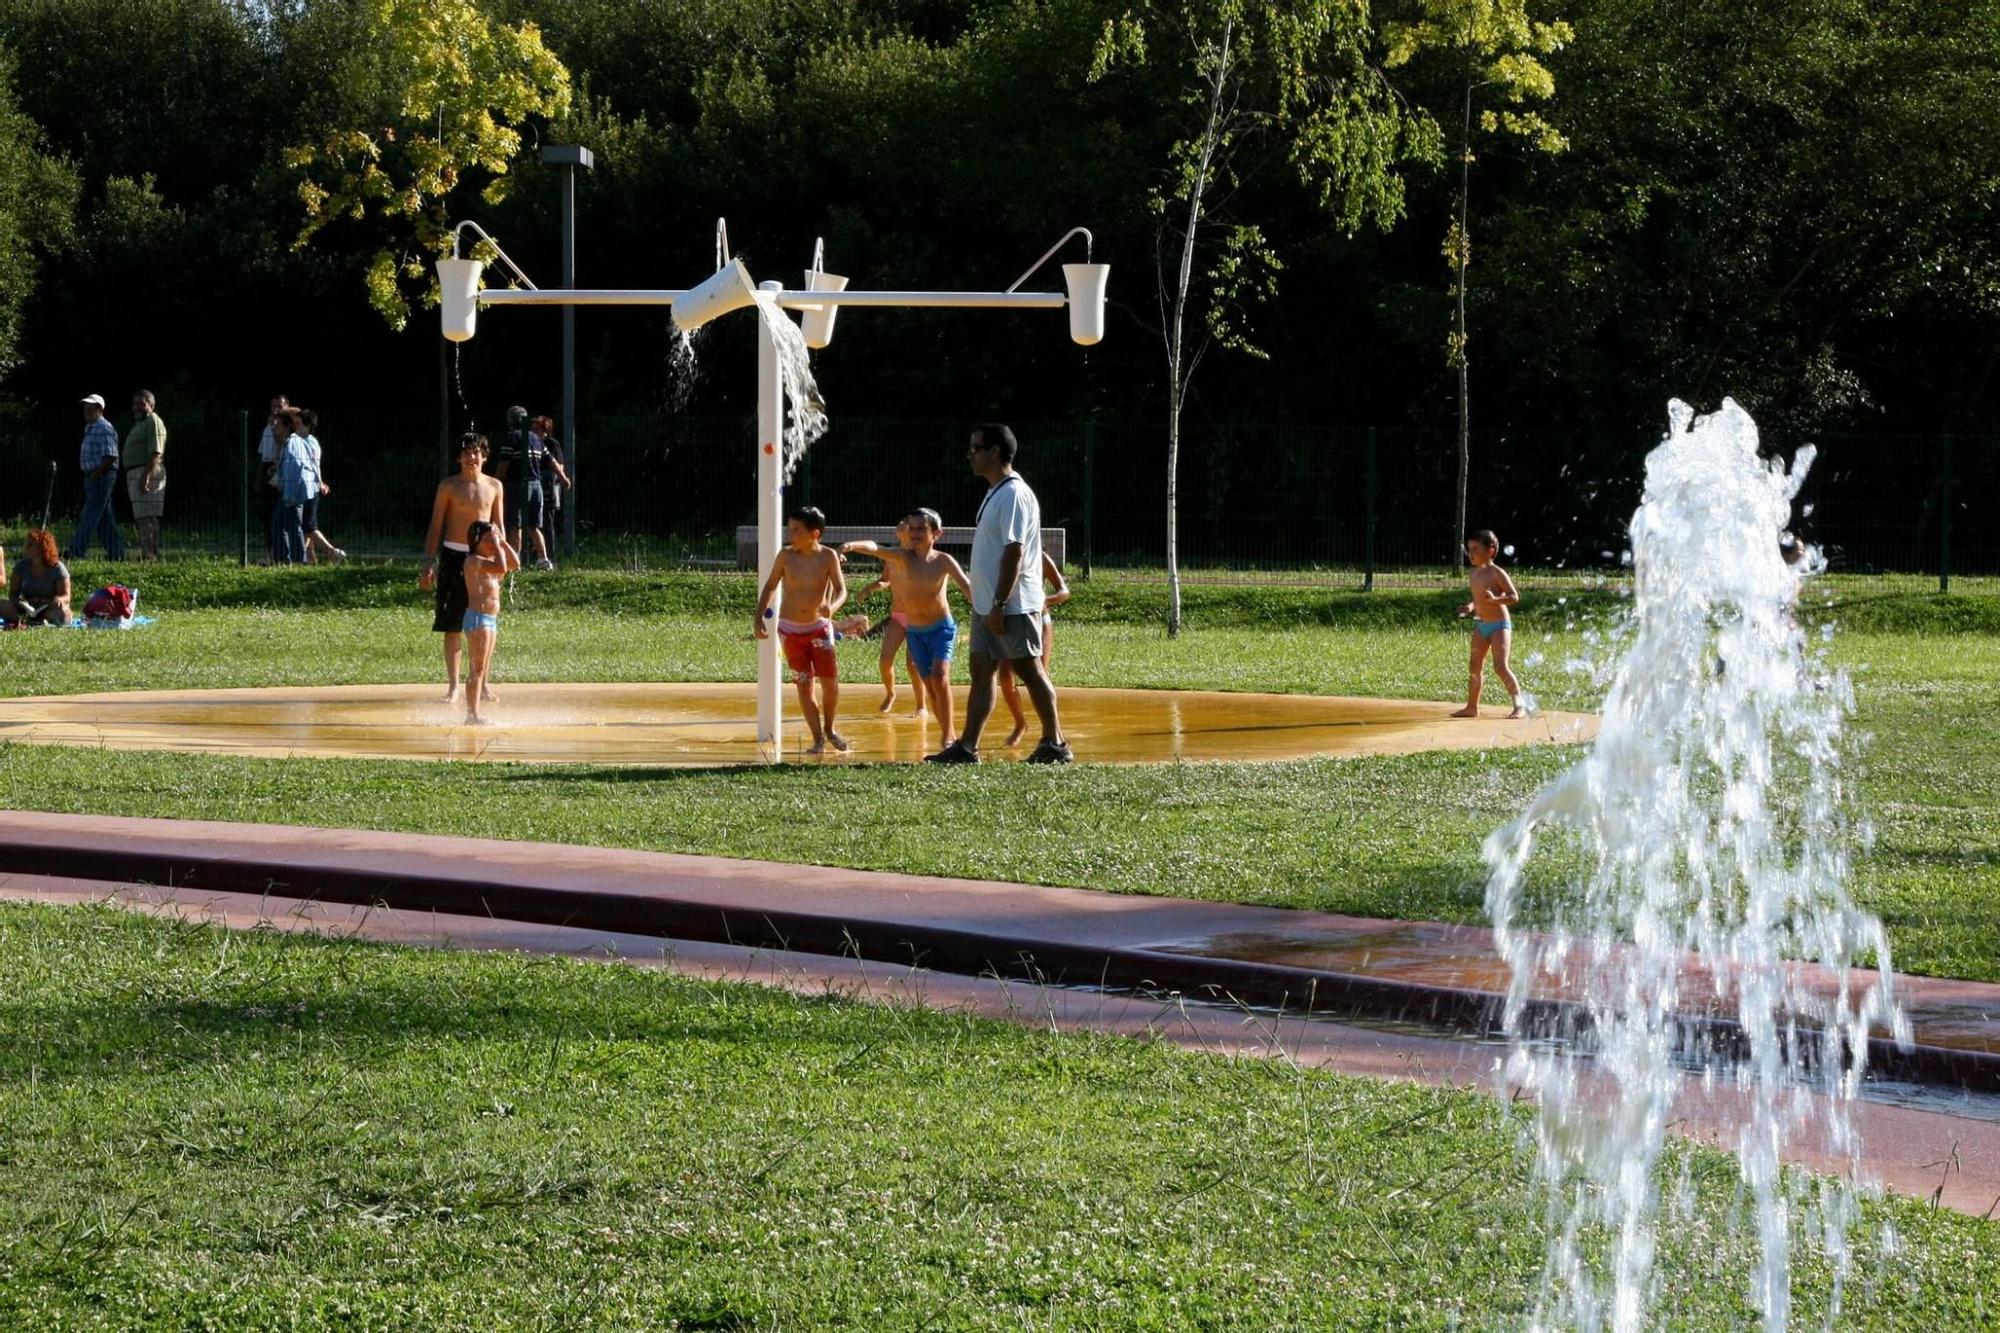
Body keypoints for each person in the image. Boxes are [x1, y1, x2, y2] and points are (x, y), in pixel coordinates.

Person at [927, 424, 1071, 764]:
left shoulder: (1014, 494)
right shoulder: (995, 492)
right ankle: (967, 748)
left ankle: (1056, 743)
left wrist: (1000, 603)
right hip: (989, 605)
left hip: (1010, 605)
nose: (970, 454)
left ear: (994, 452)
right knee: (982, 673)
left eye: (976, 448)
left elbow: (1014, 552)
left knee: (1030, 670)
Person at [841, 508, 974, 748]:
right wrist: (851, 545)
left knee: (941, 677)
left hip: (941, 629)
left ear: (937, 534)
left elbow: (969, 589)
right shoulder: (901, 558)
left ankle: (949, 736)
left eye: (921, 528)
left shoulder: (943, 561)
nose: (914, 533)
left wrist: (990, 611)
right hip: (915, 631)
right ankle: (946, 730)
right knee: (931, 687)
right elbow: (875, 547)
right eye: (911, 528)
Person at [753, 505, 849, 754]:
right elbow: (771, 585)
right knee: (804, 684)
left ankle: (830, 729)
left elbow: (841, 590)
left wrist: (833, 606)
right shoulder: (786, 556)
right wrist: (758, 616)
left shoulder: (827, 556)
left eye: (796, 530)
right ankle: (817, 738)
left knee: (830, 683)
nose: (790, 534)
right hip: (790, 631)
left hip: (819, 629)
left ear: (814, 533)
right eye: (789, 528)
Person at [420, 434, 506, 704]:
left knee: (484, 623)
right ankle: (454, 685)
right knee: (453, 622)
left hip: (483, 558)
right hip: (454, 556)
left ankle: (482, 682)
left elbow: (498, 526)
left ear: (484, 456)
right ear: (458, 457)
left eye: (476, 453)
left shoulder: (494, 486)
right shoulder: (448, 486)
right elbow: (436, 524)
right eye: (466, 453)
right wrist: (428, 561)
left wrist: (501, 559)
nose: (472, 458)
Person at [848, 518, 927, 716]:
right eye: (901, 522)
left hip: (917, 616)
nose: (901, 523)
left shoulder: (917, 555)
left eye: (906, 523)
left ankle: (921, 706)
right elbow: (885, 581)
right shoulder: (891, 555)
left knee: (913, 664)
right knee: (885, 660)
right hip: (899, 615)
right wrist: (869, 588)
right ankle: (891, 693)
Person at [996, 551, 1072, 746]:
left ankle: (1055, 733)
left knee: (1038, 676)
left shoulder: (1041, 556)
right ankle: (1020, 723)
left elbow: (1064, 591)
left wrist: (1043, 601)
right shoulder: (1003, 553)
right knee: (1004, 675)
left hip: (1037, 620)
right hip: (1011, 619)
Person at [1452, 529, 1524, 719]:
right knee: (1474, 665)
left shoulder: (1497, 573)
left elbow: (1513, 597)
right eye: (1469, 549)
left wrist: (1495, 600)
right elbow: (1478, 600)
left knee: (1500, 666)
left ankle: (1519, 706)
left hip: (1500, 625)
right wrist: (1469, 607)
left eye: (1475, 548)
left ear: (1490, 551)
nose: (1470, 553)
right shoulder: (1473, 574)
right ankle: (1471, 707)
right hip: (1481, 625)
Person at [459, 520, 520, 724]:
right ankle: (472, 715)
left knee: (482, 667)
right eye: (487, 540)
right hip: (478, 619)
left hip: (490, 620)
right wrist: (496, 540)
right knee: (477, 667)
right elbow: (502, 565)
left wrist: (502, 542)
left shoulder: (490, 560)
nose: (491, 545)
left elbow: (514, 564)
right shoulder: (473, 561)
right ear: (476, 542)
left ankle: (473, 712)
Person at [492, 405, 552, 569]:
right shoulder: (535, 438)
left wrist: (494, 482)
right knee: (534, 526)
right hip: (536, 485)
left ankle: (514, 562)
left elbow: (504, 463)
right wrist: (564, 478)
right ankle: (543, 559)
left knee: (515, 524)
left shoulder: (511, 437)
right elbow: (550, 460)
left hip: (517, 485)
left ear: (511, 420)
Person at [67, 394, 124, 561]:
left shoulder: (104, 428)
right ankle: (117, 553)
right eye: (85, 406)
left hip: (101, 476)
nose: (86, 409)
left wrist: (97, 473)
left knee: (89, 514)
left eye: (90, 406)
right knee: (104, 518)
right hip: (94, 476)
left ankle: (76, 551)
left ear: (100, 409)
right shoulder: (91, 427)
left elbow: (111, 455)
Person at [296, 408, 346, 563]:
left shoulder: (308, 442)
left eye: (298, 423)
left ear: (307, 426)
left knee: (309, 527)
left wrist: (320, 482)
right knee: (305, 526)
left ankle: (333, 552)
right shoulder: (306, 441)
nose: (296, 426)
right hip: (307, 487)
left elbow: (314, 465)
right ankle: (309, 559)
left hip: (310, 488)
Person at [123, 389, 167, 561]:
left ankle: (149, 555)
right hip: (138, 472)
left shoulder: (153, 421)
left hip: (145, 472)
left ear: (151, 405)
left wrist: (146, 476)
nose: (137, 408)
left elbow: (156, 452)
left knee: (146, 516)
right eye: (135, 404)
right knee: (144, 515)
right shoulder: (141, 423)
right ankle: (150, 553)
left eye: (141, 404)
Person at [274, 409, 320, 564]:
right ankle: (284, 560)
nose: (274, 428)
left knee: (296, 526)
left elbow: (296, 467)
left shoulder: (297, 442)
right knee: (281, 524)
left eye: (277, 424)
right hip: (296, 489)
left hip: (294, 491)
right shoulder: (293, 442)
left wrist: (289, 491)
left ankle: (300, 561)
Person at [5, 530, 71, 625]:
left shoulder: (58, 568)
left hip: (50, 608)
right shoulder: (20, 567)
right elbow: (13, 594)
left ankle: (38, 620)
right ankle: (29, 620)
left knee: (64, 614)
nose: (26, 547)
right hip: (26, 609)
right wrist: (19, 602)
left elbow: (66, 596)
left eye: (30, 544)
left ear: (42, 548)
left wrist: (59, 600)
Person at [256, 394, 290, 563]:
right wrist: (260, 478)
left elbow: (281, 446)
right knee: (268, 516)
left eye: (280, 406)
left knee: (283, 517)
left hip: (283, 474)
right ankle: (271, 554)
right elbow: (263, 455)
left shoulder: (289, 428)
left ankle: (285, 554)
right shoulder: (267, 428)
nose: (276, 409)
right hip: (269, 473)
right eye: (273, 406)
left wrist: (275, 425)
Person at [533, 415, 572, 562]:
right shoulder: (531, 442)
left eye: (537, 430)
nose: (534, 432)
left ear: (546, 431)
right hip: (536, 484)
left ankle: (550, 556)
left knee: (547, 523)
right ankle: (537, 554)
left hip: (548, 486)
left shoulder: (551, 444)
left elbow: (559, 465)